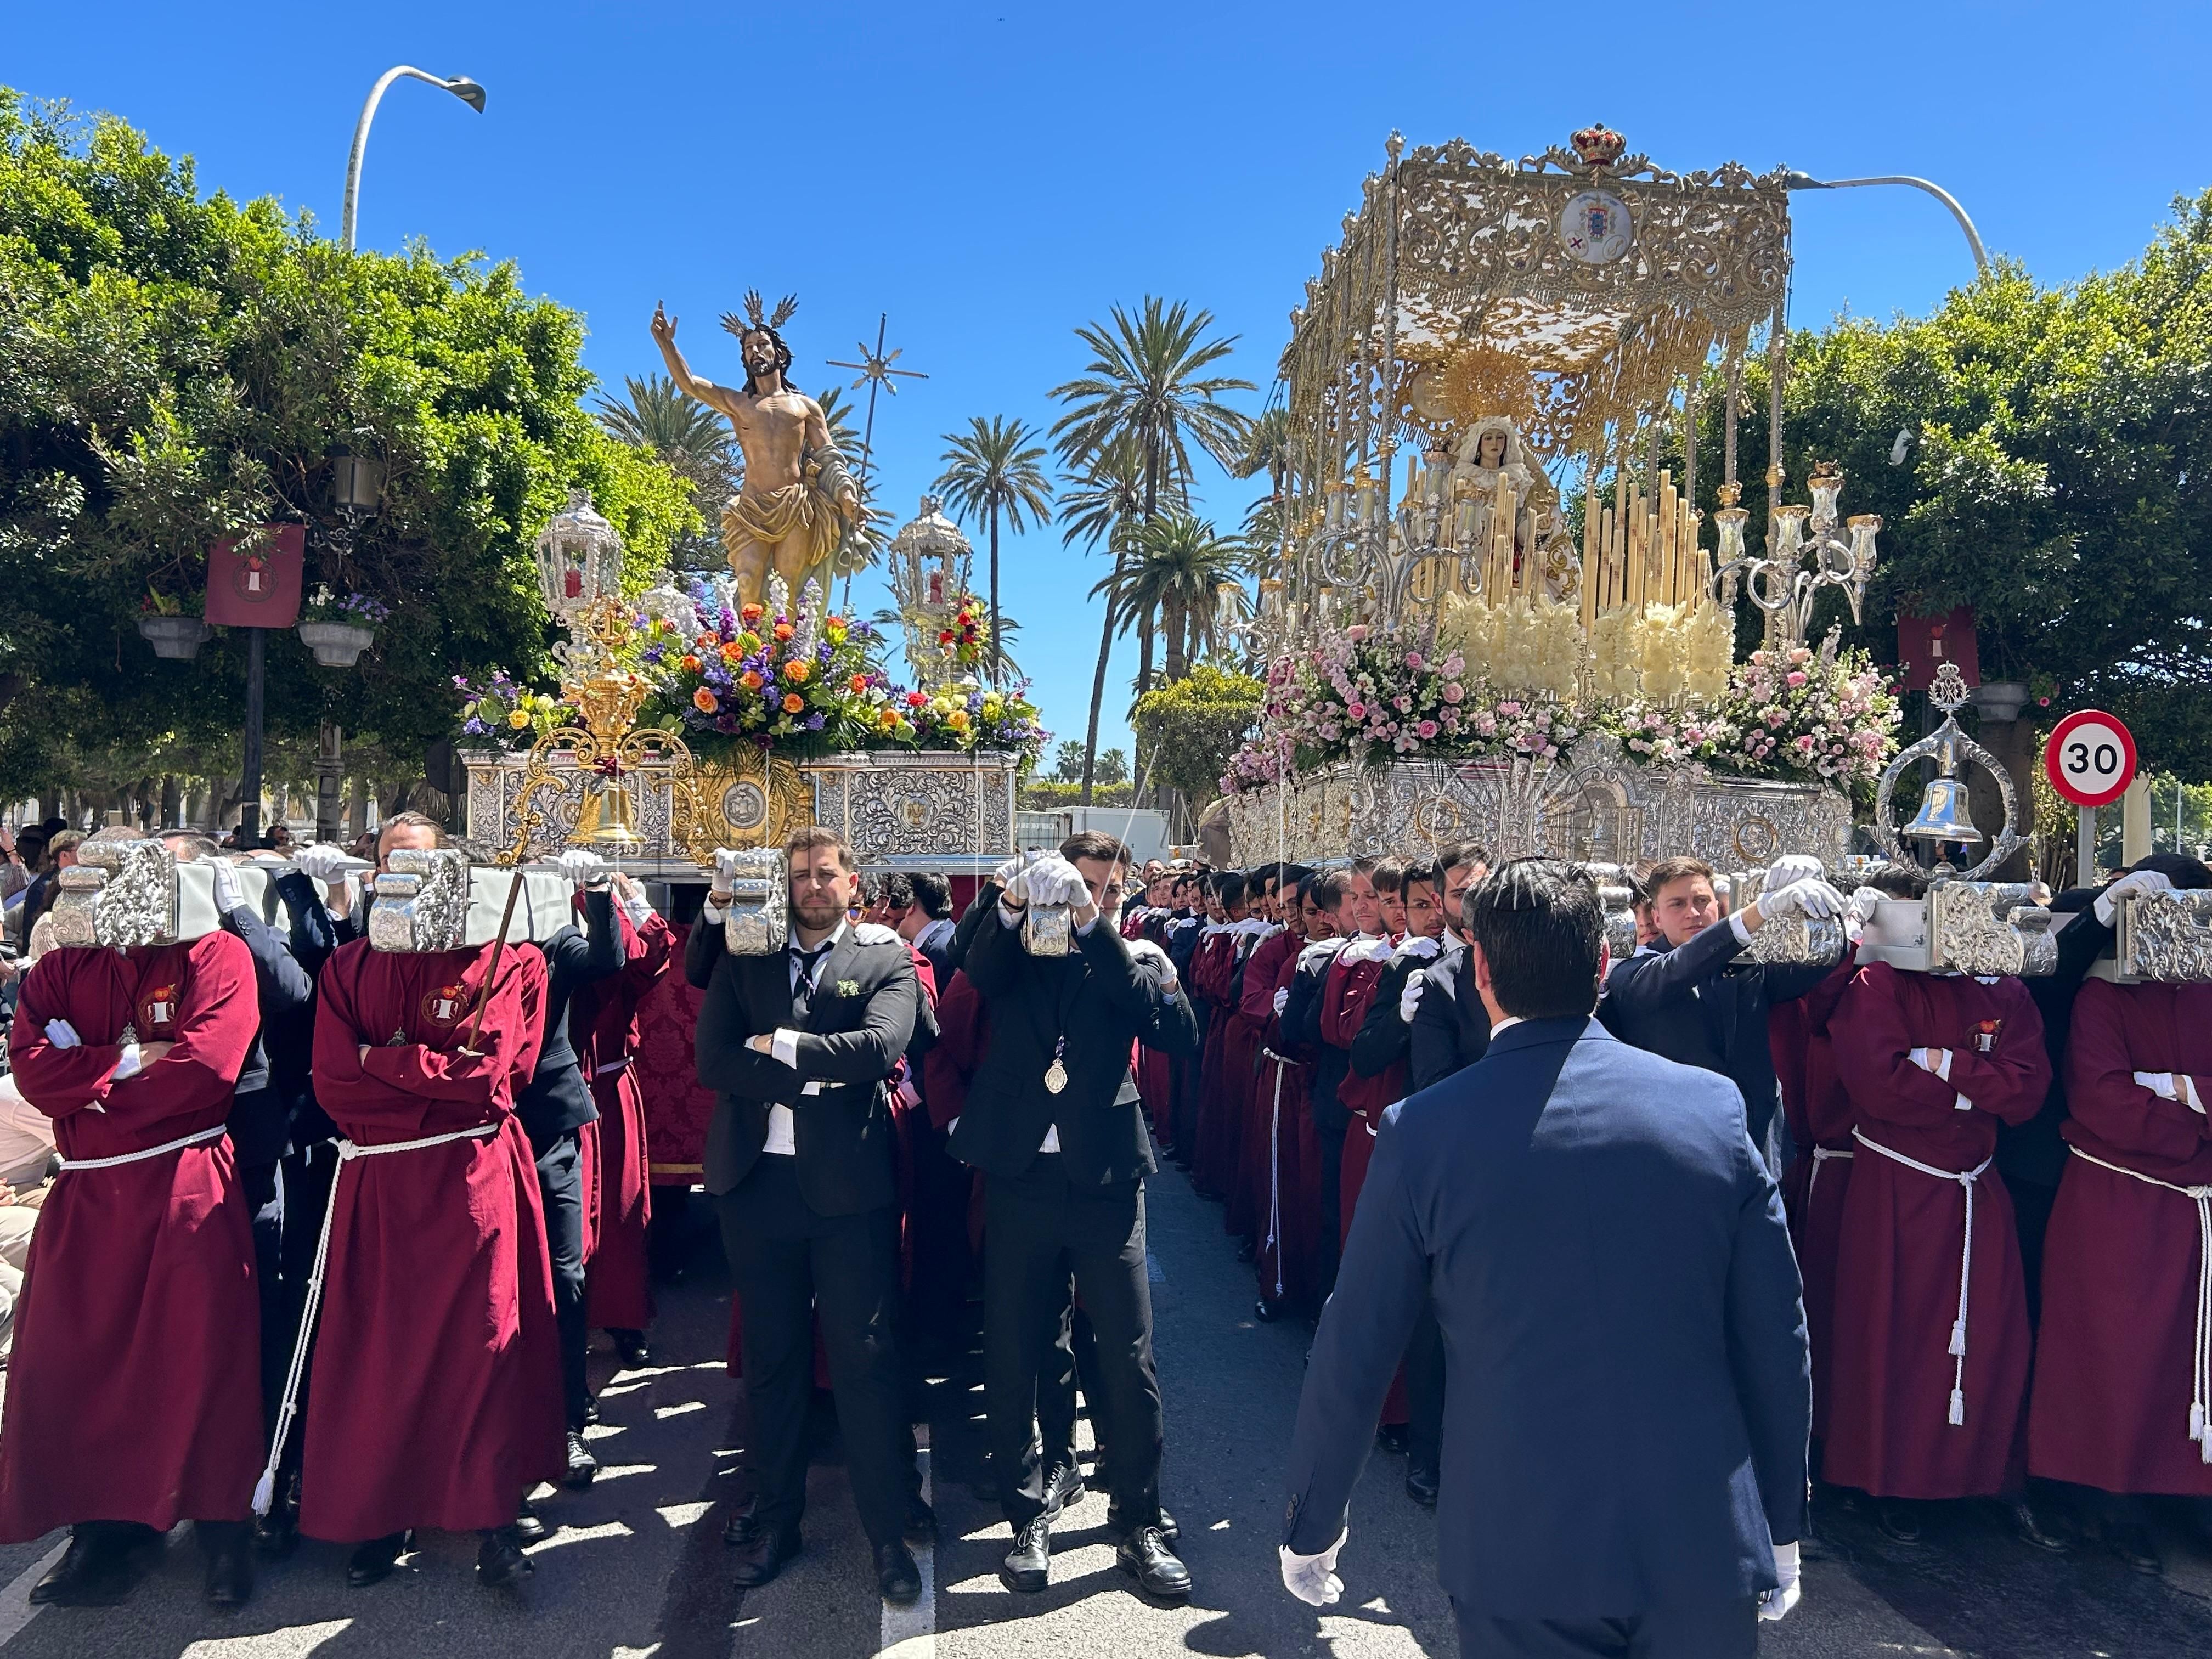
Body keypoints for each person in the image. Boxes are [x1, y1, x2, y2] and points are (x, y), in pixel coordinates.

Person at [1280, 859, 1811, 1658]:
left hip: (1519, 1540)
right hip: (1700, 1530)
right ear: (1602, 962)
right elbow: (1776, 1333)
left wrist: (1314, 1521)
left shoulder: (1425, 1130)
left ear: (1481, 971)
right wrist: (1783, 1519)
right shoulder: (1710, 1106)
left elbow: (1357, 1340)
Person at [1, 827, 265, 1607]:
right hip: (89, 1194)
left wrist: (89, 1080)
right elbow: (33, 1073)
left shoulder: (214, 955)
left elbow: (204, 1070)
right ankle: (101, 1530)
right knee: (79, 1364)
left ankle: (223, 1532)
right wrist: (127, 1062)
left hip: (185, 1186)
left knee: (201, 1357)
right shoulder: (59, 968)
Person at [300, 814, 562, 1589]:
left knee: (482, 1345)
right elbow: (333, 1084)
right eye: (390, 863)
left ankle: (491, 1515)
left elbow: (490, 1081)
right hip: (381, 1183)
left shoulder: (501, 960)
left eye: (418, 863)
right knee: (383, 1351)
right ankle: (384, 1511)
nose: (402, 877)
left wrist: (382, 1063)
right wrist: (427, 1074)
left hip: (470, 1179)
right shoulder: (347, 967)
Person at [955, 832, 1199, 1601]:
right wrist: (1014, 901)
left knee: (1128, 1353)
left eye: (1108, 889)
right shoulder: (1017, 944)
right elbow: (975, 967)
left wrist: (1099, 929)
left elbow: (1175, 1033)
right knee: (1016, 1347)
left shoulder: (1131, 955)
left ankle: (1139, 1519)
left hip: (1105, 1178)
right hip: (1021, 1174)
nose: (1091, 899)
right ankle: (1027, 1513)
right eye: (1078, 886)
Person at [692, 826, 930, 1605]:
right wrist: (814, 1078)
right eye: (800, 876)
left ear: (852, 882)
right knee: (775, 1363)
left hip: (849, 1194)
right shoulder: (748, 952)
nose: (813, 887)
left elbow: (878, 1049)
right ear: (784, 884)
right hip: (756, 1186)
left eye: (827, 874)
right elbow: (712, 1059)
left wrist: (779, 1048)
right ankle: (778, 1521)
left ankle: (886, 1536)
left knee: (865, 1360)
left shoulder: (885, 957)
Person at [1821, 934, 2053, 1545]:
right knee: (1893, 1334)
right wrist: (1977, 1094)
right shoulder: (1880, 983)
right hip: (1897, 1184)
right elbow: (1878, 1084)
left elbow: (2027, 1092)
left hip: (1976, 1186)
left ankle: (1976, 1476)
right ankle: (1888, 1480)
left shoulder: (2008, 993)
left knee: (1992, 1335)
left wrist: (1944, 1064)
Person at [160, 831, 341, 1556]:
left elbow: (296, 988)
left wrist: (237, 911)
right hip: (168, 1153)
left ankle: (275, 1475)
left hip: (267, 1141)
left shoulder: (252, 922)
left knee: (270, 1310)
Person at [2028, 858, 2212, 1573]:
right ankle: (2106, 1497)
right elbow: (2105, 1101)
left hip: (2190, 1201)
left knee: (2187, 1359)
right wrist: (2195, 1118)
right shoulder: (2103, 994)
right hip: (2121, 1195)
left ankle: (2186, 1491)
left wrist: (2172, 1092)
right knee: (2113, 1355)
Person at [1596, 854, 1848, 1158]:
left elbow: (1821, 965)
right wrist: (1759, 911)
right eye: (1677, 904)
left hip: (1756, 1144)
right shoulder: (1633, 970)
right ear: (1658, 918)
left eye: (1702, 901)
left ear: (1717, 905)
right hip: (1676, 1146)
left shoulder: (1747, 965)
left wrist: (1821, 909)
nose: (1693, 913)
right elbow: (1681, 967)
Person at [513, 848, 625, 1485]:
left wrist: (600, 892)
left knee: (564, 1272)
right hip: (477, 1123)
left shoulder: (555, 940)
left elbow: (608, 960)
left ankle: (569, 1420)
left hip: (548, 1122)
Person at [1401, 843, 1494, 1091]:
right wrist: (1400, 1020)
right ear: (1439, 902)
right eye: (1461, 895)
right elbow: (1366, 1059)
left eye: (1481, 891)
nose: (1474, 903)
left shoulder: (1518, 955)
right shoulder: (1412, 963)